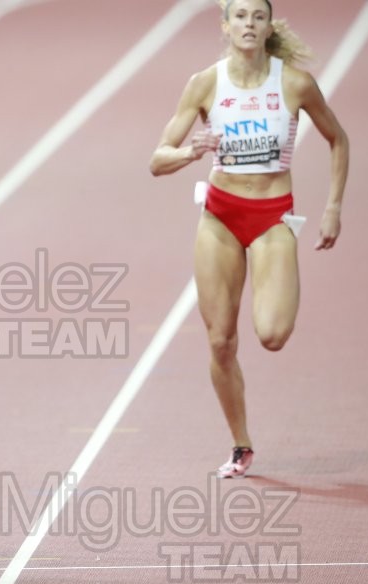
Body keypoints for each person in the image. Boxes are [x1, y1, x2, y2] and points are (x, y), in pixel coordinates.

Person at [149, 0, 348, 478]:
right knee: (220, 341)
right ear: (226, 26)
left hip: (271, 216)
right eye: (240, 16)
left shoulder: (294, 83)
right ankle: (241, 444)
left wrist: (333, 208)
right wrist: (190, 151)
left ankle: (243, 433)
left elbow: (337, 138)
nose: (248, 24)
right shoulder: (205, 84)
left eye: (257, 16)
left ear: (267, 26)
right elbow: (157, 159)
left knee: (273, 335)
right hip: (219, 217)